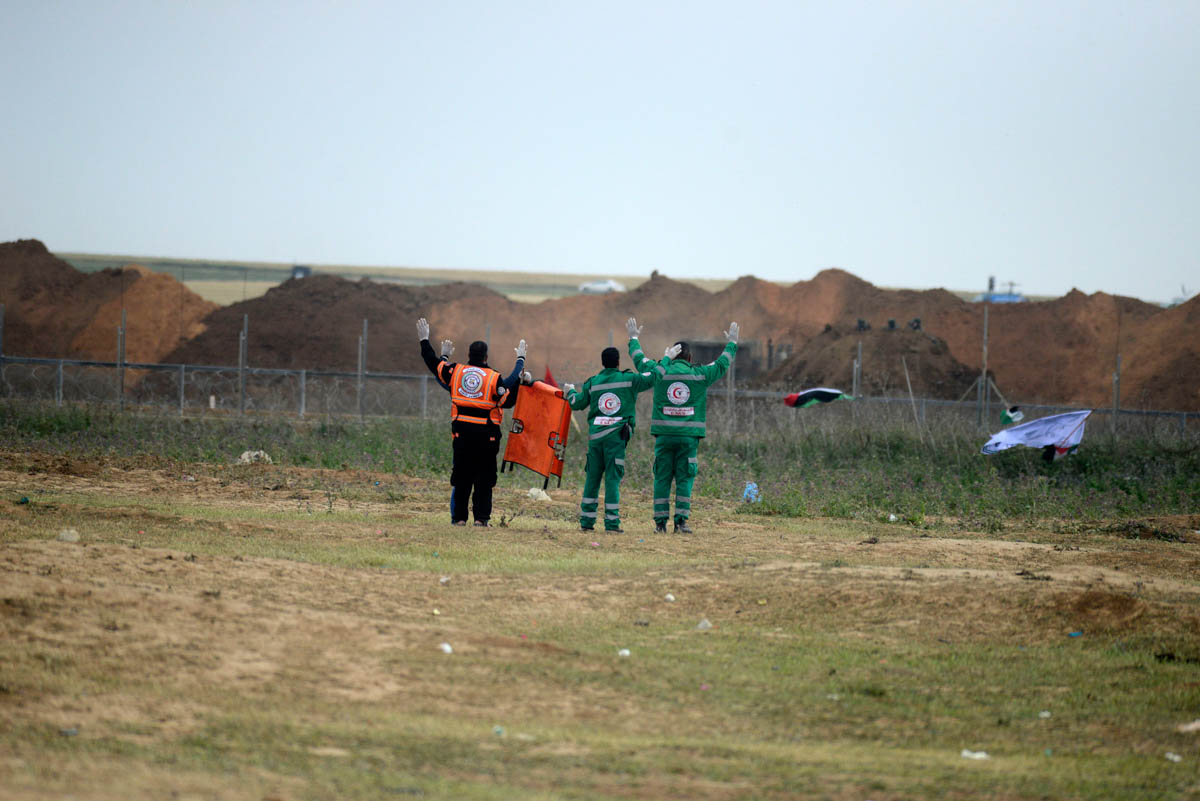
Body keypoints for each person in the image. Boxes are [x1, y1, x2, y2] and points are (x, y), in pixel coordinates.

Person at [626, 316, 738, 533]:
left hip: (664, 436)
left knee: (662, 478)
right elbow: (722, 363)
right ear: (690, 357)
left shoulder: (660, 370)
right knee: (685, 478)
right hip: (688, 438)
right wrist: (732, 343)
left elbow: (639, 360)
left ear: (673, 355)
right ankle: (681, 522)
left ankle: (660, 524)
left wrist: (633, 338)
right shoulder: (700, 374)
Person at [417, 318, 526, 526]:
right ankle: (481, 520)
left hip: (462, 436)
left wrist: (426, 342)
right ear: (486, 357)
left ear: (468, 355)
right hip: (487, 437)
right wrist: (520, 360)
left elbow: (434, 366)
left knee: (462, 477)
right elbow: (508, 391)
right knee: (484, 480)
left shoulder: (456, 372)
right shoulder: (494, 378)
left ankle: (459, 519)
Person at [562, 347, 655, 533]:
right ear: (619, 362)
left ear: (602, 362)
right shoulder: (629, 379)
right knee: (612, 481)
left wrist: (570, 392)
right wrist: (664, 359)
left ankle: (586, 523)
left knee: (592, 480)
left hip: (595, 440)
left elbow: (577, 403)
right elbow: (654, 376)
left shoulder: (593, 383)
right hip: (616, 440)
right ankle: (612, 525)